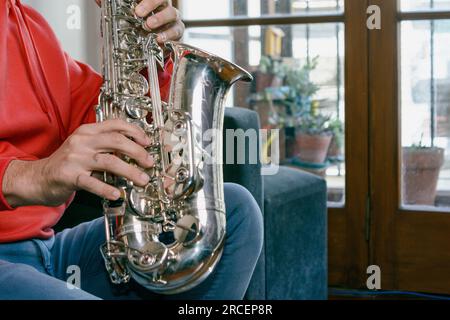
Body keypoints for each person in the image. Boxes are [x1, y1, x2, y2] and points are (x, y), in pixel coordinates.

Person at [0, 0, 263, 300]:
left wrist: (149, 51)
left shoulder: (27, 22)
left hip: (47, 251)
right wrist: (32, 176)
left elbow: (106, 114)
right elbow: (40, 172)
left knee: (238, 211)